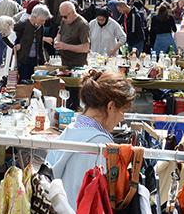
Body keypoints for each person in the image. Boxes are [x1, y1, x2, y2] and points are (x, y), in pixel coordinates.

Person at [46, 70, 136, 207]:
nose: (122, 118)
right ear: (111, 106)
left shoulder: (71, 129)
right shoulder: (100, 144)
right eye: (122, 112)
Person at [13, 4, 51, 82]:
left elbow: (41, 46)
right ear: (35, 17)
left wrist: (44, 61)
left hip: (34, 61)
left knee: (33, 83)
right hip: (23, 60)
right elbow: (6, 32)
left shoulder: (41, 27)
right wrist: (13, 46)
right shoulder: (23, 24)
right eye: (42, 20)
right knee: (23, 83)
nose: (43, 22)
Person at [54, 0, 90, 68]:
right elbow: (59, 34)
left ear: (73, 12)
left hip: (77, 65)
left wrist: (66, 46)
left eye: (65, 16)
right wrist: (57, 41)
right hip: (64, 63)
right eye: (61, 16)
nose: (63, 19)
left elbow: (86, 48)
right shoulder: (64, 21)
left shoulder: (82, 24)